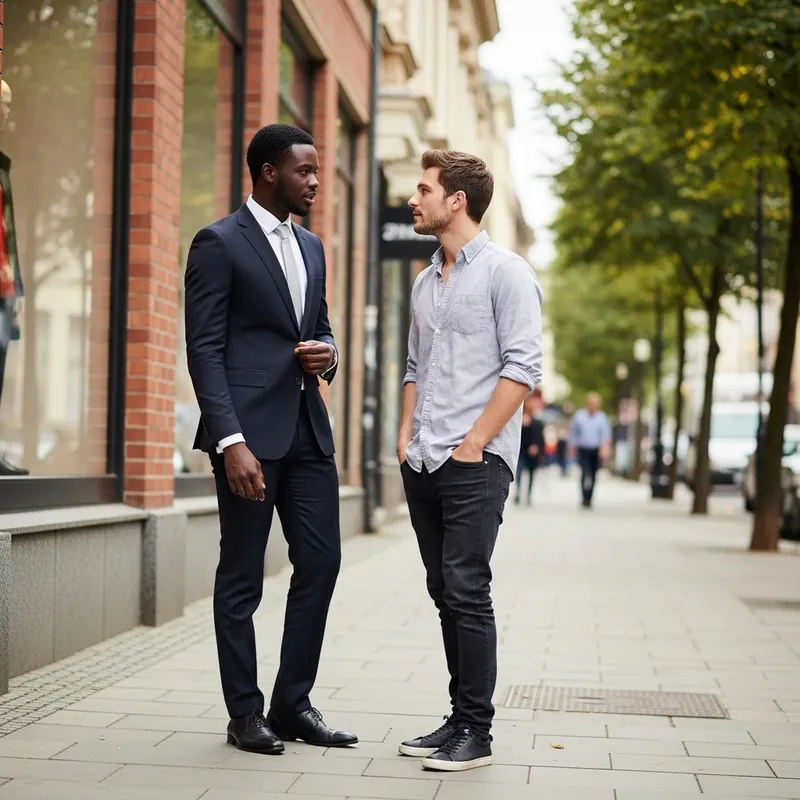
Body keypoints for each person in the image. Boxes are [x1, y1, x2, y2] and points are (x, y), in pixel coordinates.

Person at [185, 124, 357, 756]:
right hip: (248, 440)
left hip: (308, 431)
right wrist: (229, 441)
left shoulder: (311, 246)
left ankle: (292, 703)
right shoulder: (219, 242)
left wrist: (328, 354)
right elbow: (204, 349)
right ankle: (244, 713)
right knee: (242, 577)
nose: (315, 181)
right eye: (304, 170)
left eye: (316, 170)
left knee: (322, 561)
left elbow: (321, 328)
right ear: (267, 173)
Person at [396, 150, 543, 772]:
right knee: (443, 591)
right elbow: (414, 367)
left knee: (467, 589)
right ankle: (458, 718)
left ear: (456, 200)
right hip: (424, 459)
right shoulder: (424, 281)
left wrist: (475, 441)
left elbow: (523, 368)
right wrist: (405, 437)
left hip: (474, 461)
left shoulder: (507, 274)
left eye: (424, 189)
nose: (413, 199)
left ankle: (476, 731)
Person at [568, 392, 612, 508]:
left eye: (595, 403)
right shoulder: (579, 416)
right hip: (583, 449)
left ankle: (589, 498)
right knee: (584, 471)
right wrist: (572, 447)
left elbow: (605, 436)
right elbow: (574, 433)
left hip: (596, 450)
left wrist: (605, 449)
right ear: (587, 403)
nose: (593, 405)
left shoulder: (602, 418)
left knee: (593, 473)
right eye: (591, 403)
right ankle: (583, 496)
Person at [515, 393, 545, 506]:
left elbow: (540, 438)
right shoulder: (517, 419)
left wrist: (537, 447)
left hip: (532, 452)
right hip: (521, 450)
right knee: (519, 471)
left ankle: (528, 494)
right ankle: (518, 492)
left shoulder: (537, 422)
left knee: (531, 473)